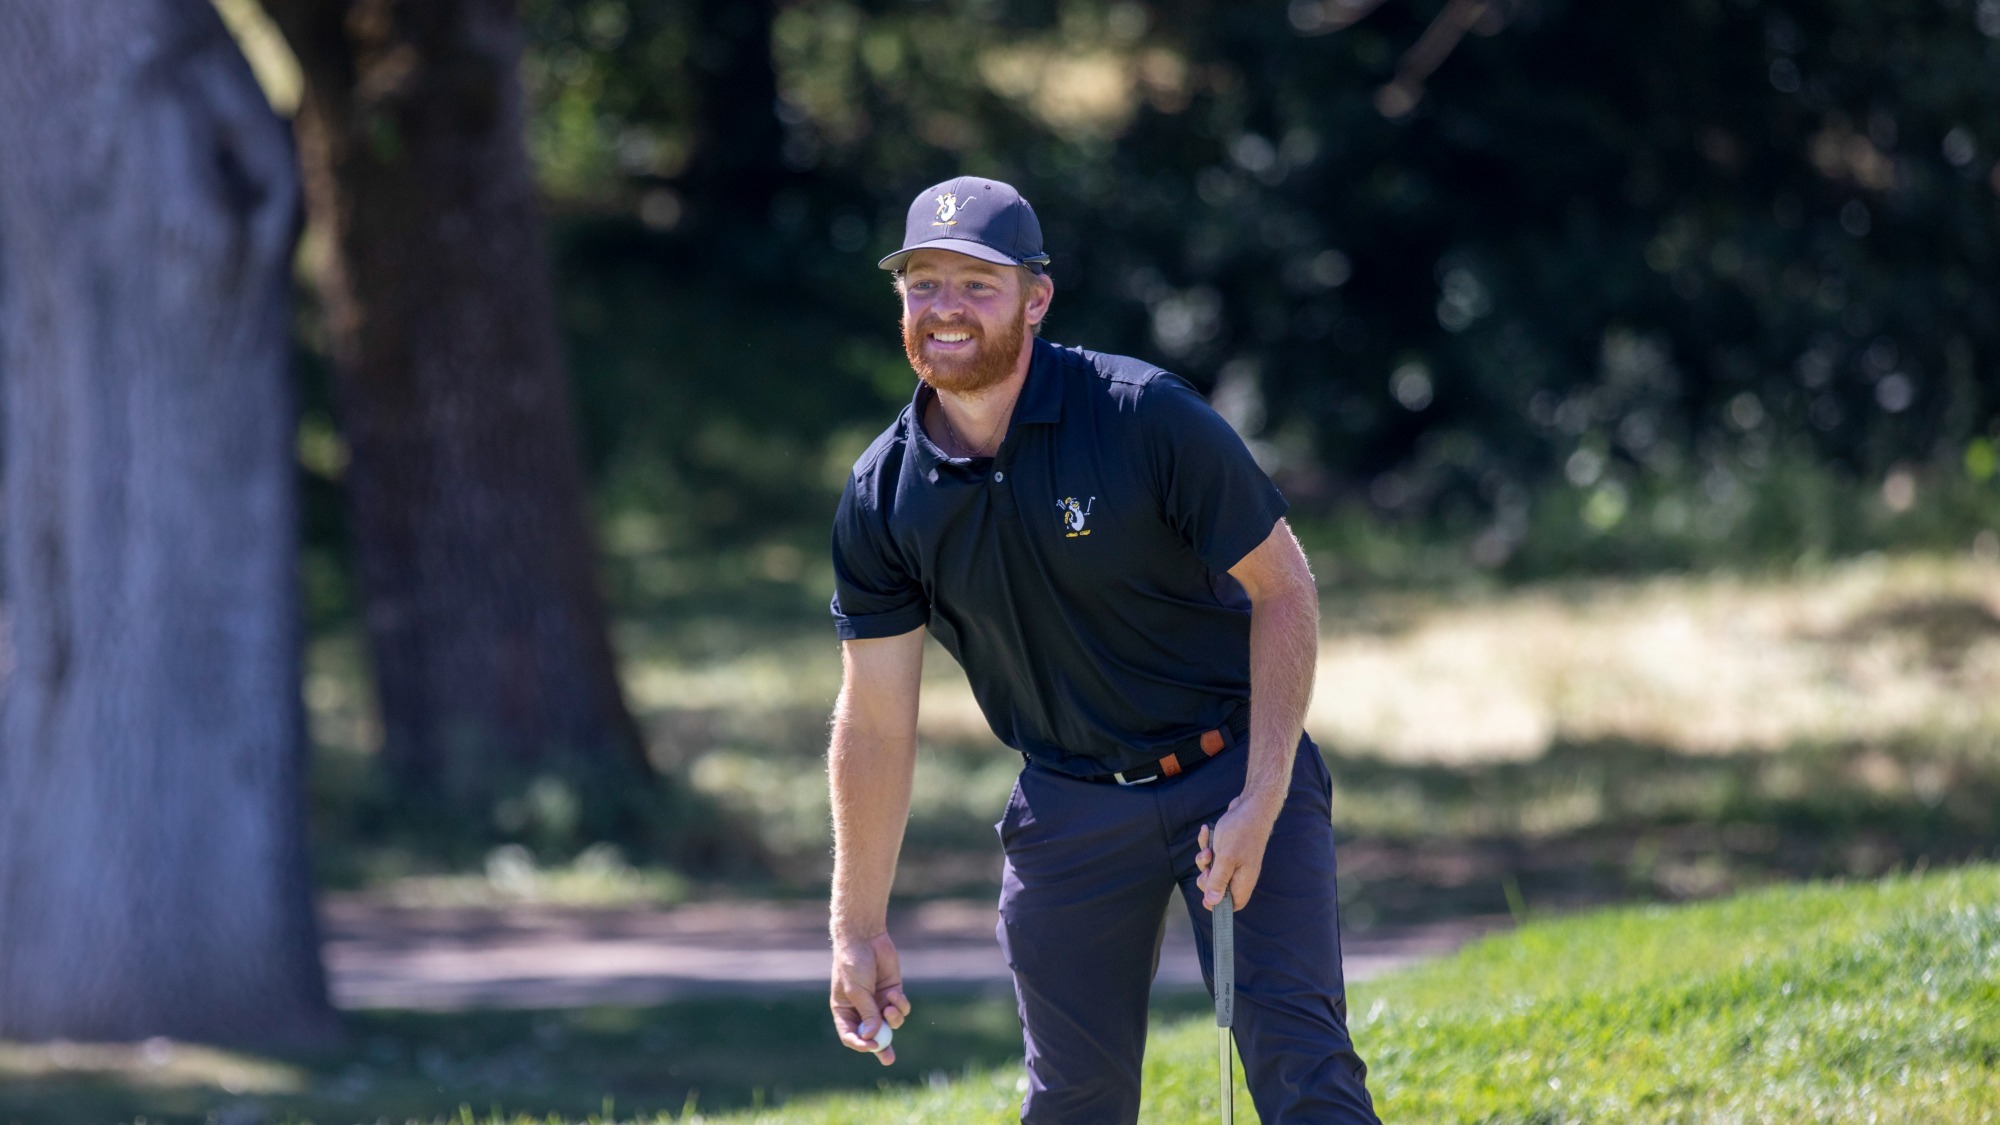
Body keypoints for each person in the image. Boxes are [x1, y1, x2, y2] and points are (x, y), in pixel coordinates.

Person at [824, 175, 1380, 1124]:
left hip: (1231, 770)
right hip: (1068, 807)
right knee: (1073, 1102)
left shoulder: (1142, 416)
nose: (945, 310)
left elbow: (1284, 590)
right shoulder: (885, 494)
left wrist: (1264, 792)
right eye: (923, 284)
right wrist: (857, 926)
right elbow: (876, 722)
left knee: (1304, 1070)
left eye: (977, 285)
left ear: (1037, 299)